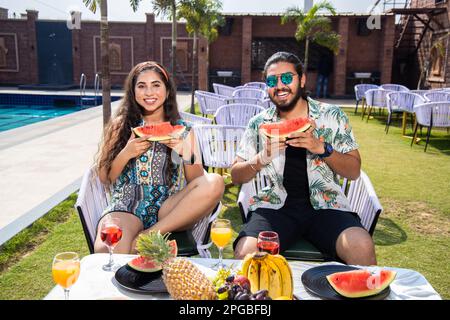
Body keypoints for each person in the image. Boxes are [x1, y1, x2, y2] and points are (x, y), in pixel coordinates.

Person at [231, 52, 376, 266]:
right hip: (275, 207)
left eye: (287, 78)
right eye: (272, 81)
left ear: (302, 79)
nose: (280, 85)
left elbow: (354, 171)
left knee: (362, 247)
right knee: (247, 254)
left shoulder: (332, 115)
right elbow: (235, 175)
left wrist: (322, 148)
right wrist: (261, 158)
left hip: (327, 206)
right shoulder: (258, 123)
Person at [94, 61, 225, 254]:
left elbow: (197, 182)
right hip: (127, 203)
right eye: (142, 86)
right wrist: (126, 153)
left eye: (156, 85)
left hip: (168, 208)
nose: (149, 92)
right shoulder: (120, 126)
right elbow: (105, 177)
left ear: (167, 90)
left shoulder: (184, 130)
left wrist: (186, 153)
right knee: (108, 251)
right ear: (133, 91)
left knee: (215, 181)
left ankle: (149, 235)